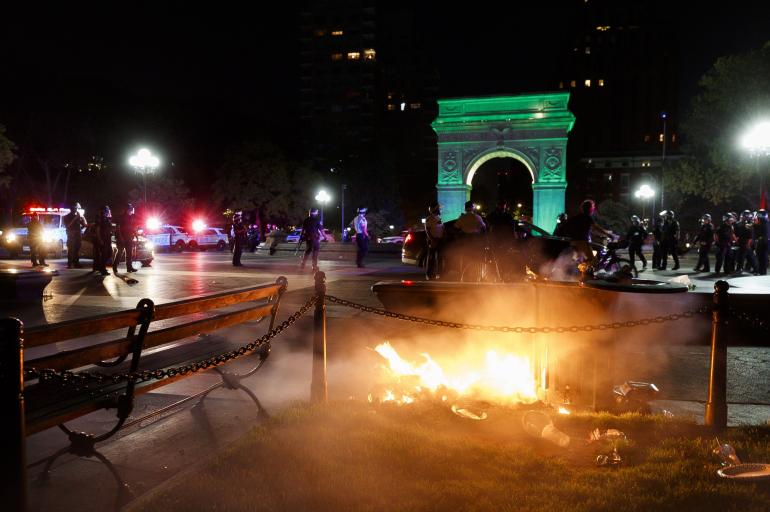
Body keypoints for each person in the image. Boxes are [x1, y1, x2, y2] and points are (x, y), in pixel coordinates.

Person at [563, 199, 612, 266]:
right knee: (592, 261)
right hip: (582, 242)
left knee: (580, 260)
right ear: (589, 208)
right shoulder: (587, 217)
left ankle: (579, 272)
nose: (593, 209)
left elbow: (590, 230)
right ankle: (588, 275)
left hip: (573, 242)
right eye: (593, 207)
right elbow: (596, 228)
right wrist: (608, 234)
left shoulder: (577, 217)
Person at [113, 203, 138, 274]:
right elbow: (118, 228)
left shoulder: (130, 217)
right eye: (130, 209)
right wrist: (120, 237)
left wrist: (134, 233)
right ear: (127, 209)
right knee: (120, 253)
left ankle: (129, 268)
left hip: (129, 238)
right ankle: (114, 267)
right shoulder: (121, 217)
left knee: (129, 254)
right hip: (122, 238)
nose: (131, 210)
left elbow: (131, 227)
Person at [300, 207, 325, 271]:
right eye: (317, 212)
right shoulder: (317, 220)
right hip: (315, 238)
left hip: (308, 238)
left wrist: (301, 237)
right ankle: (314, 266)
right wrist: (325, 237)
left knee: (307, 251)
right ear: (315, 212)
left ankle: (303, 264)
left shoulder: (306, 220)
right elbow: (321, 230)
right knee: (315, 252)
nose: (318, 213)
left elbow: (302, 230)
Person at [63, 202, 87, 268]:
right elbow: (68, 225)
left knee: (77, 250)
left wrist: (83, 218)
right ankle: (69, 264)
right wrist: (76, 218)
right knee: (70, 250)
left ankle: (76, 263)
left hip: (78, 235)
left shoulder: (79, 216)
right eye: (75, 208)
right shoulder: (66, 217)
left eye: (77, 208)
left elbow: (84, 225)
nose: (76, 210)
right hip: (71, 235)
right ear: (72, 209)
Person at [425, 202, 444, 280]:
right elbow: (427, 230)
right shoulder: (430, 218)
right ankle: (429, 275)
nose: (440, 209)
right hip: (433, 240)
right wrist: (432, 240)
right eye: (438, 208)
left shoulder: (438, 218)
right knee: (431, 258)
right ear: (435, 209)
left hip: (439, 240)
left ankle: (439, 274)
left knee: (439, 258)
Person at [93, 206, 112, 276]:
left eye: (108, 211)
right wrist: (100, 239)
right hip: (103, 239)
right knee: (104, 255)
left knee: (109, 253)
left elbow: (110, 228)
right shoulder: (99, 219)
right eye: (106, 211)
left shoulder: (107, 219)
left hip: (108, 239)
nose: (107, 212)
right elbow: (97, 230)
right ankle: (102, 269)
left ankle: (101, 267)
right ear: (103, 211)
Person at [754, 209, 769, 275]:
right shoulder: (765, 221)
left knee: (761, 257)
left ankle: (761, 271)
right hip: (764, 242)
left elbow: (761, 231)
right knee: (762, 257)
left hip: (762, 242)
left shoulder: (763, 222)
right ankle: (762, 271)